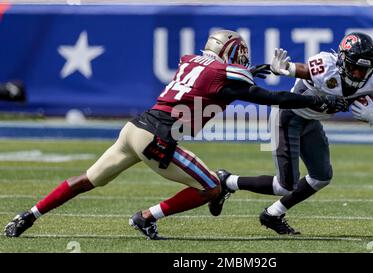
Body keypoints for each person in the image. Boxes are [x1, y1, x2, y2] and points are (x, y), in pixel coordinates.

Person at [4, 30, 348, 240]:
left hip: (134, 128)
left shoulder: (192, 61)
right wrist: (314, 99)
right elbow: (271, 97)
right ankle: (146, 217)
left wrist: (252, 72)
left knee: (87, 180)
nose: (244, 60)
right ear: (231, 53)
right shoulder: (225, 74)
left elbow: (220, 81)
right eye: (241, 55)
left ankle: (28, 216)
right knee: (211, 187)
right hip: (157, 139)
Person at [208, 32, 373, 235]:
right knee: (284, 186)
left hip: (312, 121)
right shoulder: (327, 66)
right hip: (289, 117)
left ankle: (273, 214)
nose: (359, 75)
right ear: (342, 60)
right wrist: (286, 69)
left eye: (364, 70)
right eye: (354, 68)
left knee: (321, 176)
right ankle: (227, 181)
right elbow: (304, 70)